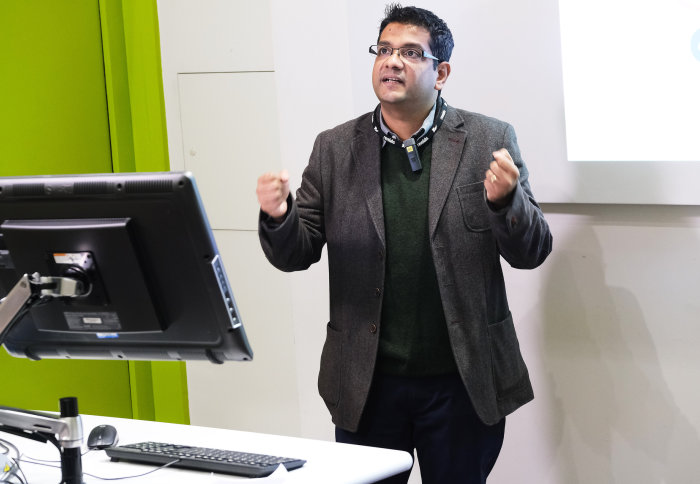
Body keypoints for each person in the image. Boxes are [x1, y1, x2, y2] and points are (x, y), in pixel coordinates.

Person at [256, 4, 552, 483]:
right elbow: (297, 252)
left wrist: (505, 202)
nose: (392, 61)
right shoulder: (334, 148)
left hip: (462, 381)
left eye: (412, 52)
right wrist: (280, 215)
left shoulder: (487, 139)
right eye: (385, 50)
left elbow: (532, 251)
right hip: (367, 383)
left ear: (442, 73)